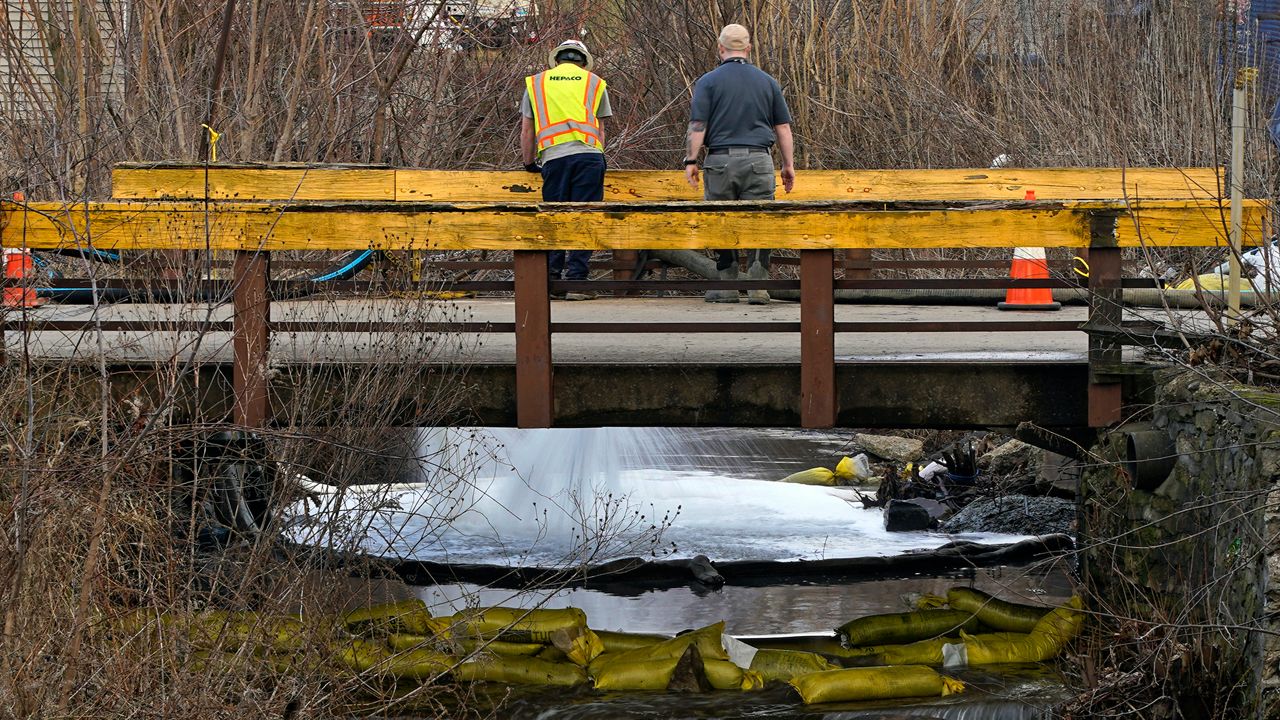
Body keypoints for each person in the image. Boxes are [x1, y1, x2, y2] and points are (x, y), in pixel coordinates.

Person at [684, 24, 795, 305]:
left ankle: (727, 286)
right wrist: (788, 165)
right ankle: (758, 288)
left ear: (720, 49)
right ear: (748, 49)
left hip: (719, 160)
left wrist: (691, 160)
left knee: (721, 221)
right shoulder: (767, 81)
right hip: (759, 159)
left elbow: (698, 125)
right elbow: (783, 127)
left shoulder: (708, 81)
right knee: (761, 222)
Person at [520, 39, 612, 300]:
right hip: (590, 158)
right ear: (583, 62)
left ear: (557, 60)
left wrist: (529, 163)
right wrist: (599, 158)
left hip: (554, 159)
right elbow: (600, 130)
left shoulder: (536, 84)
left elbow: (527, 130)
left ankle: (552, 280)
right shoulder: (594, 83)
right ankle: (577, 282)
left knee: (555, 217)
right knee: (585, 217)